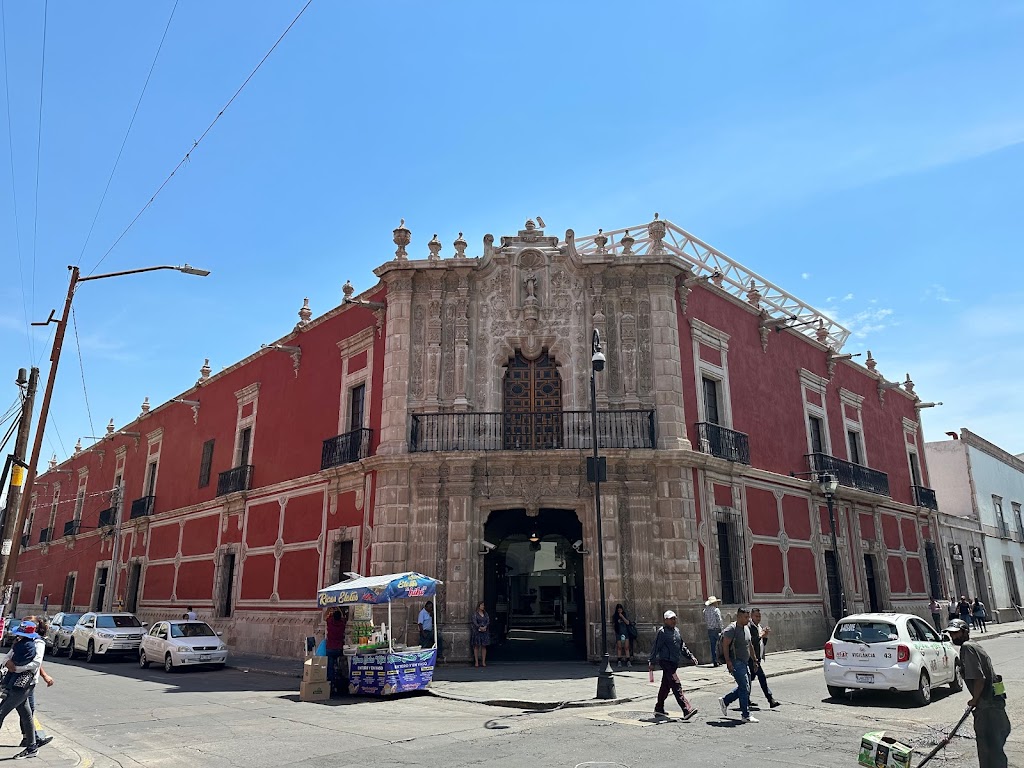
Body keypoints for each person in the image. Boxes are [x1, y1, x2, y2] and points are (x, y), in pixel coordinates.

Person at [946, 619, 1010, 768]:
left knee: (989, 752)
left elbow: (979, 678)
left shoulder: (967, 647)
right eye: (951, 634)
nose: (953, 636)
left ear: (965, 632)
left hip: (988, 708)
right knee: (995, 750)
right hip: (995, 705)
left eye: (956, 633)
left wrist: (975, 699)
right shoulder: (975, 645)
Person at [647, 610, 699, 720]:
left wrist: (690, 656)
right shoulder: (662, 632)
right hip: (666, 662)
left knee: (665, 687)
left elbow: (682, 646)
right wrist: (652, 661)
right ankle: (686, 709)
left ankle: (659, 708)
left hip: (674, 662)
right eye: (671, 619)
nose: (673, 621)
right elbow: (656, 647)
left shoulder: (676, 631)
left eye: (674, 618)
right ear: (665, 620)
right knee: (676, 684)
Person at [0, 620, 41, 758]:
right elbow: (7, 657)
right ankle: (32, 746)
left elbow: (36, 663)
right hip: (14, 680)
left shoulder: (38, 644)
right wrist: (8, 663)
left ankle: (32, 746)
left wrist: (17, 668)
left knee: (1, 712)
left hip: (24, 682)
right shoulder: (18, 642)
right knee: (26, 714)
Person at [718, 607, 759, 723]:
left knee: (745, 687)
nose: (748, 619)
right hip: (736, 662)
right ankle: (745, 715)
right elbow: (725, 645)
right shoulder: (732, 629)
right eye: (746, 617)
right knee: (744, 687)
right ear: (739, 617)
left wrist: (755, 660)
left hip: (745, 662)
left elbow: (749, 645)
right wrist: (728, 662)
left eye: (748, 617)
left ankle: (725, 700)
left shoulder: (746, 628)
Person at [21, 617, 54, 752]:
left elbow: (36, 662)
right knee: (25, 711)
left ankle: (29, 739)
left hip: (25, 680)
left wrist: (44, 676)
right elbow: (35, 662)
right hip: (24, 681)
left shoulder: (31, 641)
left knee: (26, 710)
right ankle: (31, 740)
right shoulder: (33, 642)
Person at [747, 608, 780, 709]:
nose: (758, 618)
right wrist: (761, 635)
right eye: (756, 616)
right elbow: (752, 642)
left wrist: (765, 636)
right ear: (751, 616)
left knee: (748, 680)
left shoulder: (759, 627)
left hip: (758, 658)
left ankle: (744, 699)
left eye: (759, 616)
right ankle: (770, 699)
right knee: (762, 678)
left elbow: (762, 644)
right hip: (752, 659)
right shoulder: (750, 627)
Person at [323, 606, 348, 695]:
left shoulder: (330, 622)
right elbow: (342, 616)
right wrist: (338, 607)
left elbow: (324, 617)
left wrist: (329, 607)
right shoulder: (342, 624)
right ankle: (340, 678)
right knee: (340, 664)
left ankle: (331, 683)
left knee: (330, 667)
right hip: (339, 648)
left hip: (330, 648)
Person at [703, 596, 723, 667]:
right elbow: (719, 620)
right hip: (716, 629)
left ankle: (714, 660)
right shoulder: (716, 610)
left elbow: (705, 619)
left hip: (710, 629)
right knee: (720, 645)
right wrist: (721, 628)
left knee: (713, 646)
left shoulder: (705, 610)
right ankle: (720, 659)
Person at [613, 603, 635, 668]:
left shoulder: (625, 615)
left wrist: (622, 616)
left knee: (626, 647)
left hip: (625, 632)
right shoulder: (615, 616)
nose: (619, 611)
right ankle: (619, 661)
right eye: (618, 610)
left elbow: (628, 622)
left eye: (620, 610)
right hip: (619, 633)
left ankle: (628, 660)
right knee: (619, 647)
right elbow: (614, 625)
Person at [471, 601, 490, 668]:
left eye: (483, 605)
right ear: (479, 606)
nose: (483, 606)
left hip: (484, 631)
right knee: (476, 646)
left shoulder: (485, 614)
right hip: (477, 632)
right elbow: (474, 622)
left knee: (484, 646)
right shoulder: (475, 614)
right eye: (482, 605)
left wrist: (485, 627)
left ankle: (483, 661)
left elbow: (488, 621)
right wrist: (479, 627)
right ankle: (476, 662)